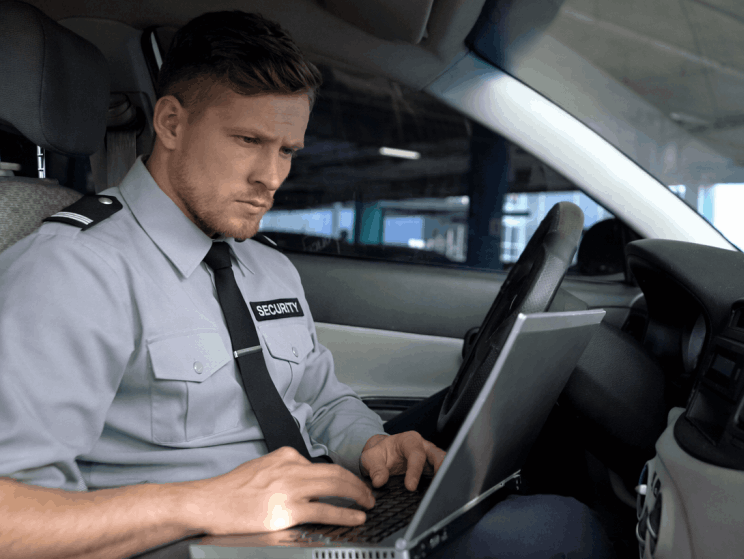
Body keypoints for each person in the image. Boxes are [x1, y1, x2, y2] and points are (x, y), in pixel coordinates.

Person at [0, 10, 613, 559]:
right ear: (170, 123)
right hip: (189, 543)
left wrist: (371, 443)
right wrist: (203, 503)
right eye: (248, 141)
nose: (271, 177)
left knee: (551, 510)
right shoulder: (74, 271)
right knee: (559, 531)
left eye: (288, 151)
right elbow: (10, 518)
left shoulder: (265, 266)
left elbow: (318, 400)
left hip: (312, 524)